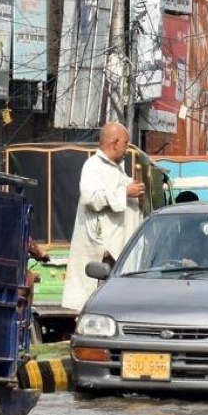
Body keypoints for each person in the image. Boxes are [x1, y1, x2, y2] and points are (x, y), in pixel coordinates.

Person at [61, 122, 145, 310]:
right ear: (115, 143)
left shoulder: (118, 169)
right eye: (125, 143)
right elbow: (91, 198)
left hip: (122, 250)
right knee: (98, 304)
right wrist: (125, 192)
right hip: (103, 252)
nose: (126, 148)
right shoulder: (93, 166)